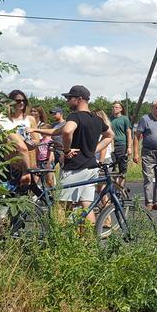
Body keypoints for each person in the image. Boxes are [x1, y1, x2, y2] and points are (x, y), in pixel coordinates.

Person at [58, 86, 112, 223]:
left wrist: (66, 150)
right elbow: (110, 135)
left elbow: (66, 131)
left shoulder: (74, 116)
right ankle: (89, 241)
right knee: (86, 206)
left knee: (61, 205)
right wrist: (93, 149)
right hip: (91, 167)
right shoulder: (96, 119)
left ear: (79, 99)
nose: (67, 101)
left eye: (70, 98)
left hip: (75, 167)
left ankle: (57, 241)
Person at [110, 101, 132, 182]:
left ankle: (121, 188)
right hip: (112, 145)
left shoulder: (124, 119)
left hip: (122, 145)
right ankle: (115, 187)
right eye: (113, 107)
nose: (114, 109)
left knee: (122, 167)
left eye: (116, 107)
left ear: (121, 109)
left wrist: (129, 147)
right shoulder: (110, 119)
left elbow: (128, 133)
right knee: (112, 166)